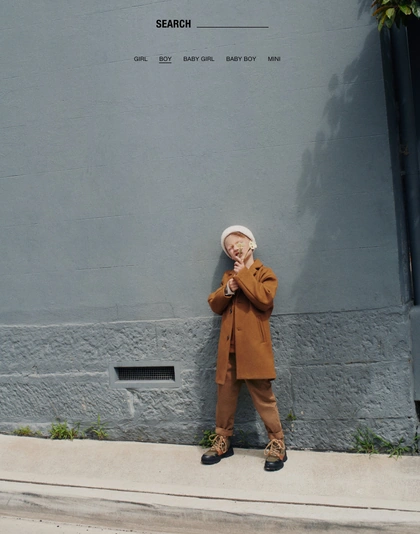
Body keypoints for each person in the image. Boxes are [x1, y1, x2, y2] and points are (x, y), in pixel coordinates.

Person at [201, 225, 287, 471]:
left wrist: (244, 276)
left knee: (264, 397)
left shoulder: (264, 273)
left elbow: (265, 299)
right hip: (229, 349)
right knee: (225, 397)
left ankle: (277, 442)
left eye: (237, 243)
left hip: (254, 349)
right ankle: (223, 440)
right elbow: (215, 304)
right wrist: (229, 288)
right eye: (228, 248)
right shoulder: (228, 277)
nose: (233, 249)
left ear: (250, 243)